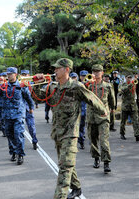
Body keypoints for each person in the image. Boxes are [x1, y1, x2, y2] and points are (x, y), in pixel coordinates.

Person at [33, 58, 107, 199]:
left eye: (58, 68)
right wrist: (36, 84)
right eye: (54, 68)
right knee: (65, 163)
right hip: (57, 133)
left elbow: (92, 99)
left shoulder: (76, 87)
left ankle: (60, 196)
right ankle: (77, 187)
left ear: (67, 69)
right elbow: (37, 99)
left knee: (64, 168)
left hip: (70, 133)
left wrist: (103, 112)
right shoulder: (53, 87)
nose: (55, 70)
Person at [0, 67, 34, 165]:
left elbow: (28, 97)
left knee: (18, 134)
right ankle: (13, 152)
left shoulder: (21, 85)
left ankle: (20, 154)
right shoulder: (3, 86)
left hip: (18, 114)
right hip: (7, 114)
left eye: (10, 74)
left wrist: (31, 107)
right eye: (8, 74)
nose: (8, 76)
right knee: (9, 134)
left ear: (15, 74)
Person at [86, 65, 115, 173]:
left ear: (102, 73)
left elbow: (112, 100)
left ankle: (106, 162)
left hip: (103, 116)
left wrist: (112, 111)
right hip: (91, 116)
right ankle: (96, 158)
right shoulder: (88, 85)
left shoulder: (107, 86)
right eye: (94, 71)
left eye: (98, 71)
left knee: (104, 141)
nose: (96, 73)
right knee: (93, 140)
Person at [119, 74, 139, 141]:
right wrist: (130, 84)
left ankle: (137, 135)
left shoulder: (134, 84)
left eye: (130, 78)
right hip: (125, 106)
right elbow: (123, 90)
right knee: (123, 121)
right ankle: (122, 134)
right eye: (128, 77)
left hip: (133, 106)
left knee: (135, 121)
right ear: (125, 78)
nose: (129, 79)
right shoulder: (123, 84)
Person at [21, 69, 38, 150]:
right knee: (19, 128)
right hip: (20, 109)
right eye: (23, 74)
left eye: (26, 74)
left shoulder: (31, 84)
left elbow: (34, 94)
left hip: (28, 108)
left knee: (31, 126)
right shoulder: (18, 84)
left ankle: (34, 141)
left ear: (28, 75)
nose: (24, 76)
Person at [78, 70, 88, 149]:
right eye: (82, 76)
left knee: (83, 126)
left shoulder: (90, 84)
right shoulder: (77, 84)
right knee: (79, 126)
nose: (84, 77)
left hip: (87, 108)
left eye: (85, 76)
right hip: (78, 108)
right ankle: (80, 139)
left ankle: (82, 140)